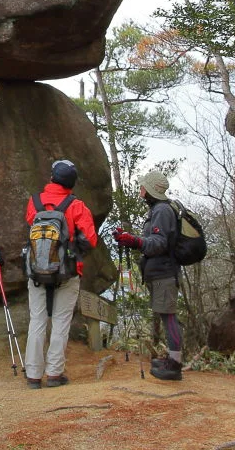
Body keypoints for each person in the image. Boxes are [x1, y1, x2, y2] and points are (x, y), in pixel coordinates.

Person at [23, 159, 98, 389]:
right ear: (72, 182)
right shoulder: (77, 206)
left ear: (52, 177)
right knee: (60, 321)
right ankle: (54, 374)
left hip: (36, 271)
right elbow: (91, 240)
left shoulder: (34, 202)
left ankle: (33, 375)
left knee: (37, 320)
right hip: (67, 272)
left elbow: (30, 225)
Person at [113, 171, 184, 381]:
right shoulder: (158, 210)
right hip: (160, 272)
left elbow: (159, 243)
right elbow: (154, 240)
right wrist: (130, 239)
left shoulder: (162, 210)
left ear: (151, 190)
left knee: (169, 316)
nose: (140, 190)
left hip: (164, 272)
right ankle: (173, 360)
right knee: (166, 315)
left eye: (143, 187)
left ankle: (175, 365)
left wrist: (135, 241)